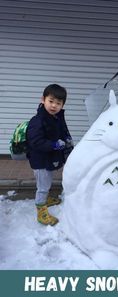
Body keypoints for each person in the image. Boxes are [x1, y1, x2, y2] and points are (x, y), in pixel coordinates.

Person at [26, 83, 73, 226]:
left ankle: (45, 198)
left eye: (58, 103)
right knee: (43, 186)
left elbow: (62, 131)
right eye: (51, 101)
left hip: (50, 158)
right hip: (40, 160)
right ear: (43, 99)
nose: (54, 105)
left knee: (47, 180)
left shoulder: (57, 117)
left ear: (62, 104)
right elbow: (35, 141)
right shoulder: (38, 120)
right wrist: (53, 145)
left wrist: (67, 139)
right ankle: (41, 210)